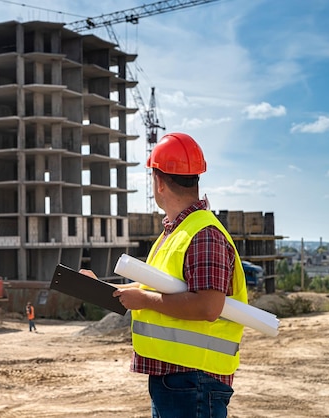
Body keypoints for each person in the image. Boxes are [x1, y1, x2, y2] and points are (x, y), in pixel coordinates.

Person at [81, 132, 248, 418]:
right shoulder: (176, 232)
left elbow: (208, 306)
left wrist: (144, 300)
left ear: (158, 182)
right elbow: (154, 287)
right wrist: (102, 288)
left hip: (194, 380)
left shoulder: (203, 234)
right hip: (177, 379)